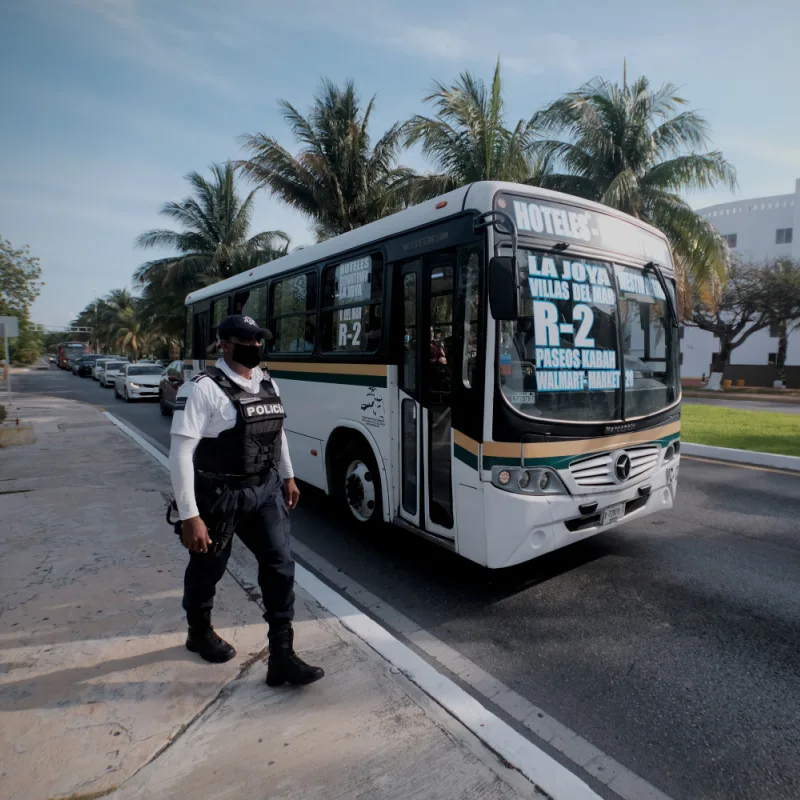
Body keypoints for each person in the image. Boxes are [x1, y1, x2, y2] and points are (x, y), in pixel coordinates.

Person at [168, 314, 324, 687]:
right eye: (245, 340)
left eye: (258, 340)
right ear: (224, 344)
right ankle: (198, 631)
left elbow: (276, 433)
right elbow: (180, 453)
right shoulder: (202, 388)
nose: (254, 347)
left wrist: (287, 475)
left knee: (280, 564)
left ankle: (282, 657)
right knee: (208, 569)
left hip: (265, 489)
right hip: (219, 497)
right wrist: (190, 515)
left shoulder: (267, 381)